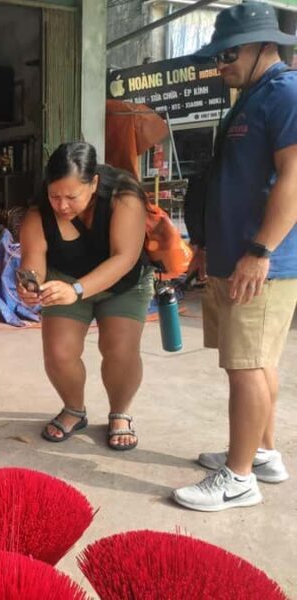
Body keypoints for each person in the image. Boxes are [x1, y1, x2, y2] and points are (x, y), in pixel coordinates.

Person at [173, 2, 297, 512]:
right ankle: (262, 452)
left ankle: (239, 478)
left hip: (261, 263)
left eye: (227, 54)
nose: (219, 65)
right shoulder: (249, 99)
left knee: (247, 366)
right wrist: (204, 247)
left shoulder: (286, 93)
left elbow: (293, 177)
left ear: (262, 47)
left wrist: (261, 250)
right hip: (229, 257)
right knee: (252, 363)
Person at [17, 142, 153, 451]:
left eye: (71, 197)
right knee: (59, 352)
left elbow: (125, 258)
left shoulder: (124, 196)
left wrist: (77, 290)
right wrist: (30, 285)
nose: (62, 205)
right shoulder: (39, 211)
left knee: (119, 349)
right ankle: (73, 409)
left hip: (123, 282)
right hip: (64, 278)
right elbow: (33, 260)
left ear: (93, 183)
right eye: (55, 196)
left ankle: (120, 413)